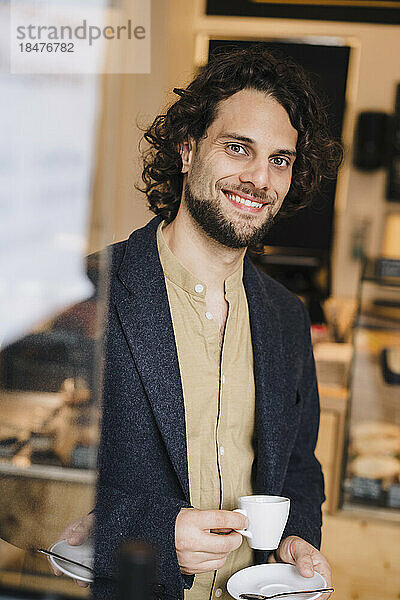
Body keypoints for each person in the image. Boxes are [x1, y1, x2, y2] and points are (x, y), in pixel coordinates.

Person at [52, 46, 342, 600]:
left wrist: (299, 536)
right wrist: (154, 535)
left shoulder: (286, 317)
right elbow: (21, 486)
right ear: (187, 150)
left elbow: (300, 465)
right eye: (239, 148)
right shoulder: (84, 294)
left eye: (280, 159)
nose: (259, 177)